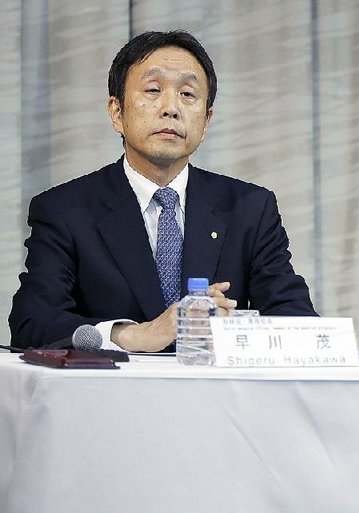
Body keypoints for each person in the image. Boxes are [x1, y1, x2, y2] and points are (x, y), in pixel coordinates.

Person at [9, 30, 316, 352]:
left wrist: (237, 330)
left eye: (187, 94)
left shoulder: (249, 207)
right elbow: (33, 322)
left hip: (220, 396)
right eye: (153, 90)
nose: (171, 108)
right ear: (117, 113)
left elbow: (296, 319)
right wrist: (132, 335)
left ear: (207, 120)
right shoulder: (65, 209)